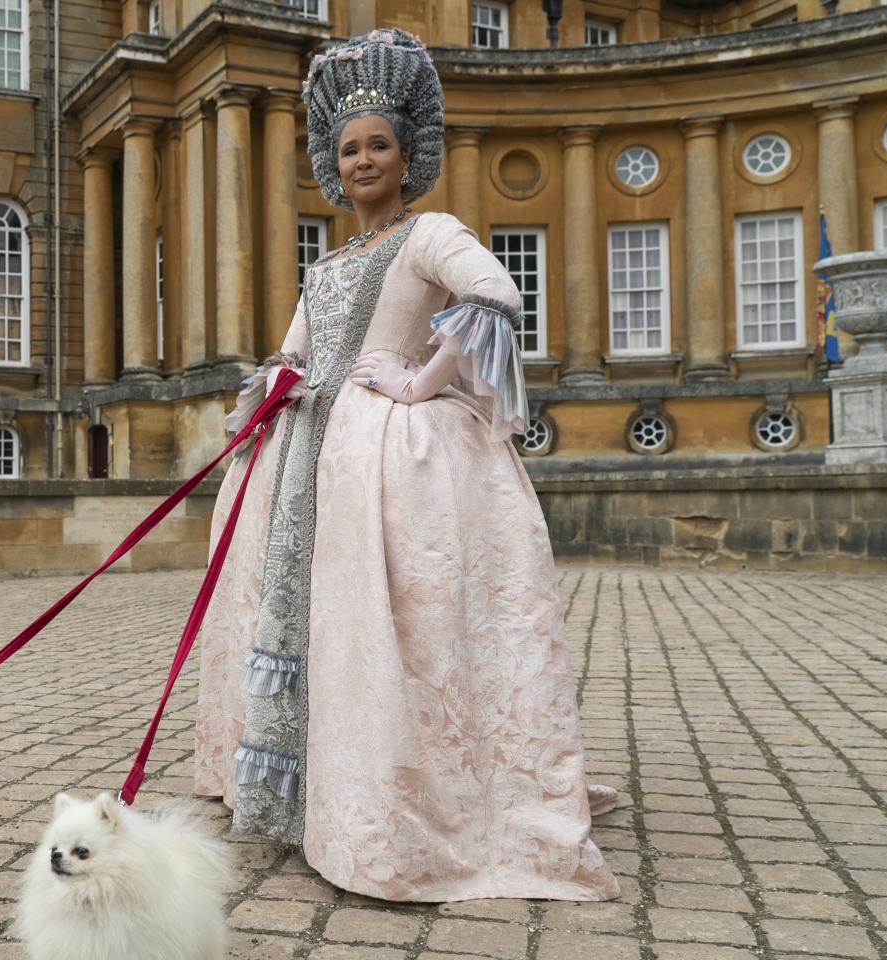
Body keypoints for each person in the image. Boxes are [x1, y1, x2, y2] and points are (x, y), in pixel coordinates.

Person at [193, 28, 620, 904]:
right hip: (307, 462)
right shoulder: (331, 261)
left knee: (384, 634)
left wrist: (421, 382)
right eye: (348, 150)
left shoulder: (431, 233)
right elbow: (291, 355)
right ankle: (304, 796)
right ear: (332, 161)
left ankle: (390, 812)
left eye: (377, 145)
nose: (361, 161)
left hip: (382, 464)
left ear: (406, 152)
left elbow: (496, 294)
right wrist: (272, 390)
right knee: (307, 633)